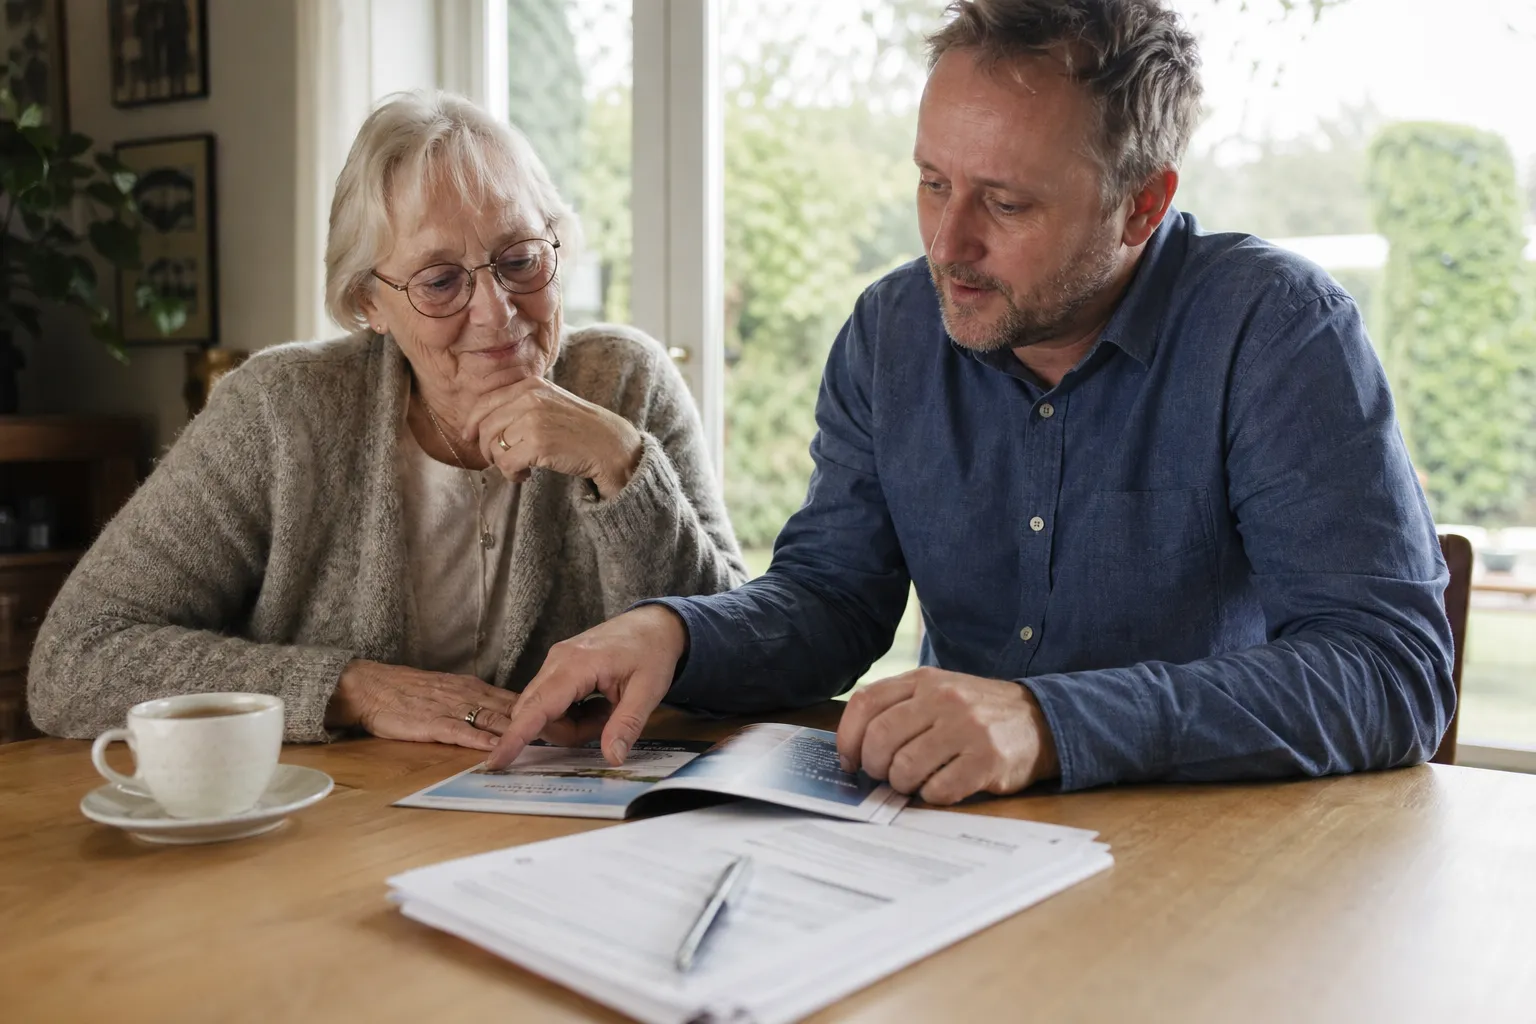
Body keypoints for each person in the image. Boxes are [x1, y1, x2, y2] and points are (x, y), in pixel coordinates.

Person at [487, 0, 1455, 801]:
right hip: (953, 857)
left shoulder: (1277, 331)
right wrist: (677, 631)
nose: (947, 244)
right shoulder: (890, 333)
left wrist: (1046, 721)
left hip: (1210, 872)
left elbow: (1391, 673)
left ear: (1143, 206)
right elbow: (833, 601)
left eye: (1005, 203)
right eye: (932, 181)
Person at [28, 91, 746, 750]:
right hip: (326, 832)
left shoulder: (624, 384)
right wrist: (351, 688)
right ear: (367, 302)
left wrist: (624, 468)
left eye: (521, 259)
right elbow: (75, 660)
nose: (497, 312)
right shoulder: (280, 411)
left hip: (566, 835)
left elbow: (742, 663)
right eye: (440, 281)